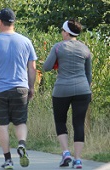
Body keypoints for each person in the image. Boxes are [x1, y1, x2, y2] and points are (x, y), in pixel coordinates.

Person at [0, 8, 37, 170]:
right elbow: (32, 67)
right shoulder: (26, 41)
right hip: (21, 88)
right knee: (20, 121)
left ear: (0, 22)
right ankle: (21, 144)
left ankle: (8, 160)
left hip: (0, 90)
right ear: (14, 22)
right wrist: (31, 86)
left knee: (3, 125)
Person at [43, 19, 92, 169]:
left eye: (62, 31)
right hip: (83, 90)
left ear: (66, 32)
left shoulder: (58, 47)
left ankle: (66, 152)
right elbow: (88, 74)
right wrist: (87, 90)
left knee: (60, 121)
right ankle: (78, 160)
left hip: (62, 90)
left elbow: (46, 67)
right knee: (78, 124)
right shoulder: (85, 49)